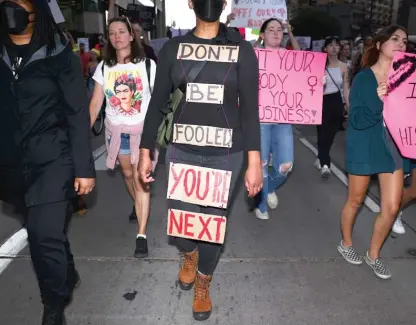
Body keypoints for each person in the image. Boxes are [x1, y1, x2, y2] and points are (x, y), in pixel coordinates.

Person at [139, 0, 263, 320]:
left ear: (224, 4)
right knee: (182, 227)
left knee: (211, 224)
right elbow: (157, 103)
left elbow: (249, 109)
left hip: (228, 152)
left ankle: (203, 283)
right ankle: (189, 255)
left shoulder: (242, 49)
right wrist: (144, 150)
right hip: (183, 148)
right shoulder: (174, 48)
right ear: (191, 3)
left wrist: (254, 162)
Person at [0, 0, 96, 324]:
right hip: (11, 165)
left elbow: (76, 113)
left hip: (53, 159)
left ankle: (53, 307)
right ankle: (66, 273)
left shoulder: (59, 56)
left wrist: (83, 167)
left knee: (43, 237)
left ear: (36, 11)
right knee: (46, 231)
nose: (9, 8)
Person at [338, 25, 408, 280]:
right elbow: (356, 118)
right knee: (355, 200)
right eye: (394, 39)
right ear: (379, 45)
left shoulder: (407, 78)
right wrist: (381, 100)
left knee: (391, 206)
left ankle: (374, 255)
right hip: (364, 144)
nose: (401, 44)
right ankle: (346, 243)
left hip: (393, 146)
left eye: (404, 41)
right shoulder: (364, 79)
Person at [89, 16, 157, 258]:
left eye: (121, 31)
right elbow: (96, 103)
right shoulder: (104, 67)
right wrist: (81, 136)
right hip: (116, 132)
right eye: (112, 32)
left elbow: (158, 101)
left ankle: (141, 234)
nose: (116, 36)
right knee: (128, 174)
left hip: (142, 133)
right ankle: (137, 205)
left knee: (141, 180)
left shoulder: (148, 66)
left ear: (131, 35)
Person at [253, 18, 300, 220]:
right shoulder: (254, 56)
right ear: (262, 34)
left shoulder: (290, 57)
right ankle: (261, 205)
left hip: (283, 119)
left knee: (286, 165)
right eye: (270, 29)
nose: (275, 33)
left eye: (279, 29)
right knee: (261, 163)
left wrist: (316, 80)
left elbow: (305, 78)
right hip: (260, 119)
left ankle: (269, 187)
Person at [315, 37, 350, 177]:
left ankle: (321, 156)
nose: (334, 48)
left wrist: (348, 105)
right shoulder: (318, 65)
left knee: (330, 134)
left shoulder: (344, 67)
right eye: (331, 45)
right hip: (321, 101)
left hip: (336, 101)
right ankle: (325, 164)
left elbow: (346, 88)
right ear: (325, 48)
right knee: (322, 133)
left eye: (336, 45)